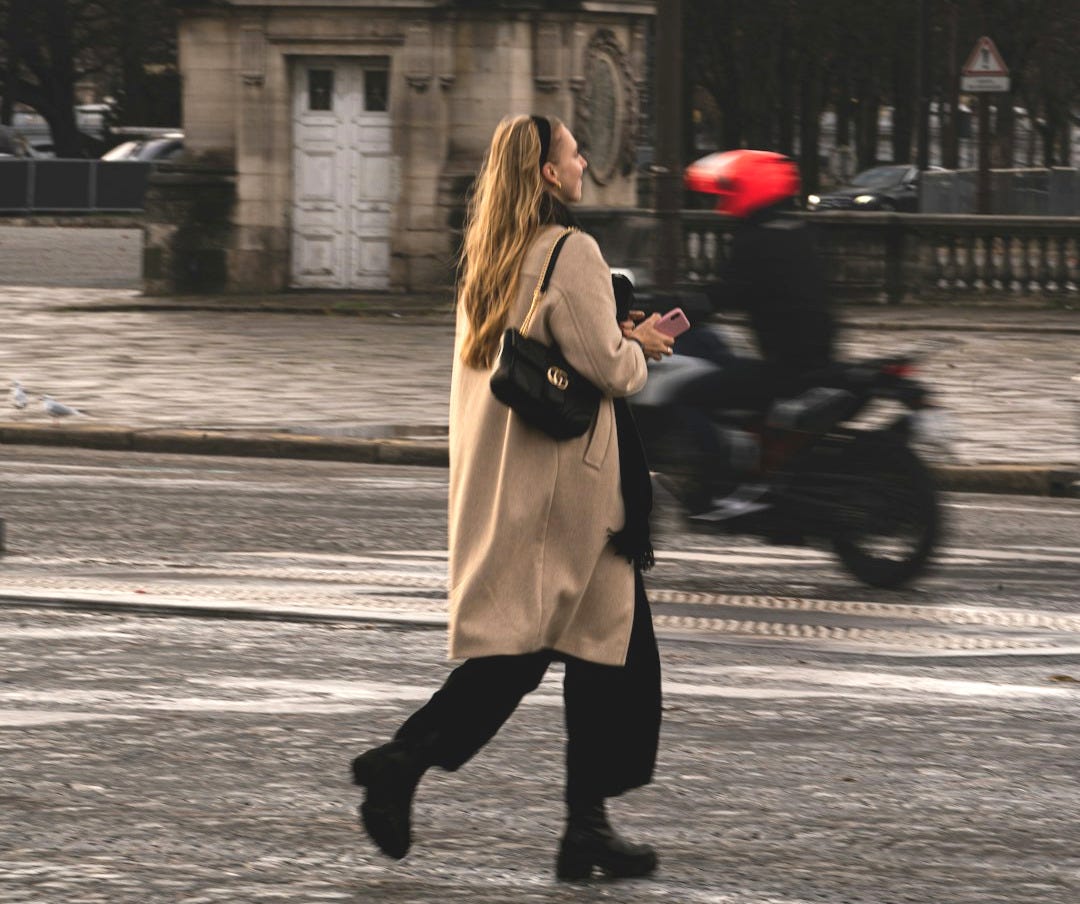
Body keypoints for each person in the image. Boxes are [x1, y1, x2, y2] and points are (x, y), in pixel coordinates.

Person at [349, 113, 674, 880]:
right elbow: (611, 369)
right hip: (574, 499)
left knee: (594, 655)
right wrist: (644, 344)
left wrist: (609, 331)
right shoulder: (573, 251)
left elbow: (546, 350)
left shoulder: (492, 257)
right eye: (571, 151)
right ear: (546, 175)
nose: (584, 159)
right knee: (544, 657)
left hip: (516, 484)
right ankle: (401, 764)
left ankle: (583, 829)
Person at [676, 150, 838, 513]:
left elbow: (716, 299)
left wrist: (663, 322)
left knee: (689, 394)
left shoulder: (755, 242)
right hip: (816, 359)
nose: (725, 200)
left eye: (731, 190)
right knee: (727, 365)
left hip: (785, 368)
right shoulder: (799, 233)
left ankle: (716, 484)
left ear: (751, 191)